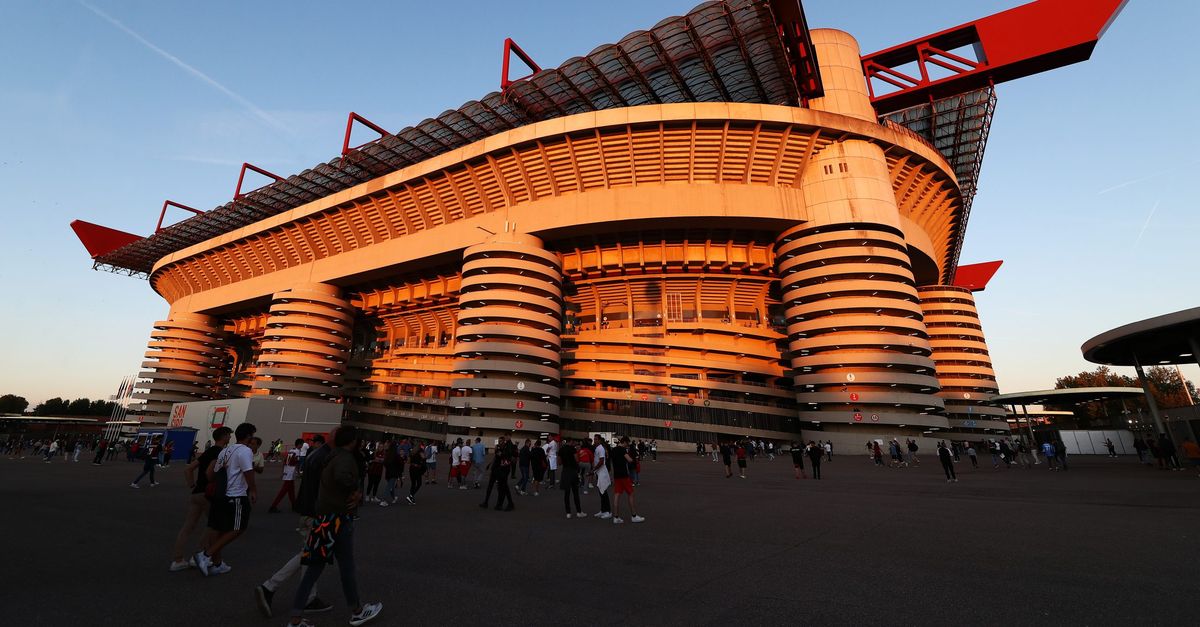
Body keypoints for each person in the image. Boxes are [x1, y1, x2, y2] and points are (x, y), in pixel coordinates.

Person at [286, 426, 383, 627]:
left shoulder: (330, 456)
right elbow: (342, 477)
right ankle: (356, 610)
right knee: (346, 566)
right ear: (353, 441)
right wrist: (355, 490)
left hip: (323, 519)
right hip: (338, 519)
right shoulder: (345, 458)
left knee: (313, 568)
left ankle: (295, 618)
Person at [194, 422, 258, 577]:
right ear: (249, 436)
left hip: (220, 495)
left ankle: (217, 564)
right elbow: (248, 472)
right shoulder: (245, 451)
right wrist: (253, 489)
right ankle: (206, 555)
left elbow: (213, 473)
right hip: (236, 495)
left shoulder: (225, 451)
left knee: (217, 528)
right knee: (238, 528)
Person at [169, 427, 231, 572]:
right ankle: (198, 555)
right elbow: (215, 472)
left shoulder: (207, 451)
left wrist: (192, 485)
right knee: (213, 525)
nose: (229, 438)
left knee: (188, 526)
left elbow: (188, 469)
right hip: (209, 493)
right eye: (228, 435)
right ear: (224, 436)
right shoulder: (220, 452)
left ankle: (177, 560)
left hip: (197, 492)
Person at [609, 436, 644, 524]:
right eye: (627, 443)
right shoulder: (622, 449)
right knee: (631, 494)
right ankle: (634, 516)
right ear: (624, 442)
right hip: (624, 475)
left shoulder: (613, 450)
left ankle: (616, 517)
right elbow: (629, 460)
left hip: (616, 475)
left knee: (617, 495)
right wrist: (633, 460)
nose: (627, 445)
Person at [480, 435, 515, 511]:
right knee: (494, 486)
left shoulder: (507, 447)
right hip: (497, 469)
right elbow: (496, 457)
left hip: (502, 469)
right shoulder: (499, 448)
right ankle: (488, 502)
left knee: (502, 487)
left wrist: (501, 454)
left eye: (501, 441)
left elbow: (506, 456)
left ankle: (501, 504)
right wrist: (490, 465)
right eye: (499, 441)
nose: (500, 442)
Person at [269, 439, 303, 513]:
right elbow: (296, 463)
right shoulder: (297, 451)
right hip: (291, 471)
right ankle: (273, 506)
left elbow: (285, 461)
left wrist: (283, 471)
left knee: (291, 490)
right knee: (284, 490)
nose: (302, 446)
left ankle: (294, 505)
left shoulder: (291, 450)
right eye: (302, 444)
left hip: (287, 470)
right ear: (299, 444)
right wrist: (299, 472)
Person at [560, 438, 585, 519]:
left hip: (565, 471)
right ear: (570, 441)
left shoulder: (561, 449)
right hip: (573, 471)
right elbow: (577, 459)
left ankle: (568, 513)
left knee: (566, 493)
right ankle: (579, 511)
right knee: (575, 492)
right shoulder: (572, 449)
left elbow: (559, 462)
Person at [593, 434, 612, 519]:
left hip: (602, 472)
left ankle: (608, 511)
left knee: (603, 491)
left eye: (596, 439)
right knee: (601, 492)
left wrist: (593, 469)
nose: (595, 440)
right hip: (599, 472)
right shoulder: (597, 448)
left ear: (600, 440)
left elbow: (601, 461)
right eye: (594, 439)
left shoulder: (600, 448)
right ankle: (603, 510)